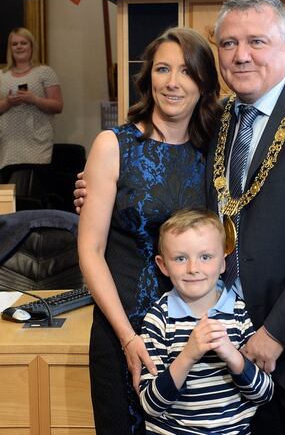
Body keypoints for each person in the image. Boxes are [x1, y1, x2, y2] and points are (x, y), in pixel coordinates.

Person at [77, 0, 285, 434]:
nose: (241, 55)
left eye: (256, 41)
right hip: (233, 354)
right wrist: (93, 188)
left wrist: (276, 333)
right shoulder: (221, 123)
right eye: (229, 43)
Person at [77, 27, 220, 433]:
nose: (173, 82)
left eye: (186, 72)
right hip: (124, 327)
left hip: (194, 330)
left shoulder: (215, 150)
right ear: (148, 78)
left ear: (204, 83)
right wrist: (127, 337)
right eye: (162, 69)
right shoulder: (113, 144)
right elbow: (89, 251)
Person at [140, 208, 273, 434]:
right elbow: (150, 405)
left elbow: (264, 393)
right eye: (181, 258)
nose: (193, 269)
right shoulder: (159, 318)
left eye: (205, 257)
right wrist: (189, 354)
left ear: (223, 263)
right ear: (163, 265)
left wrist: (233, 356)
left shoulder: (239, 310)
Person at [0, 28, 63, 172]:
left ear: (31, 46)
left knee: (33, 188)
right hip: (9, 145)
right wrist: (8, 102)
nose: (19, 47)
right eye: (14, 44)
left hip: (38, 145)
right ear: (10, 48)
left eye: (23, 43)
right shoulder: (1, 74)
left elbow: (58, 105)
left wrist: (33, 99)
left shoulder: (45, 72)